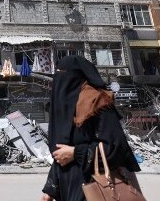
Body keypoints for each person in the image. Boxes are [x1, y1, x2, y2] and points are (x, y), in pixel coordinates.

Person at [40, 56, 140, 201]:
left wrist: (76, 153)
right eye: (58, 73)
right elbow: (61, 154)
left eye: (64, 73)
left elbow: (117, 148)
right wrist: (50, 189)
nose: (60, 79)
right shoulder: (67, 109)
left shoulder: (98, 103)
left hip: (95, 186)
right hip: (68, 188)